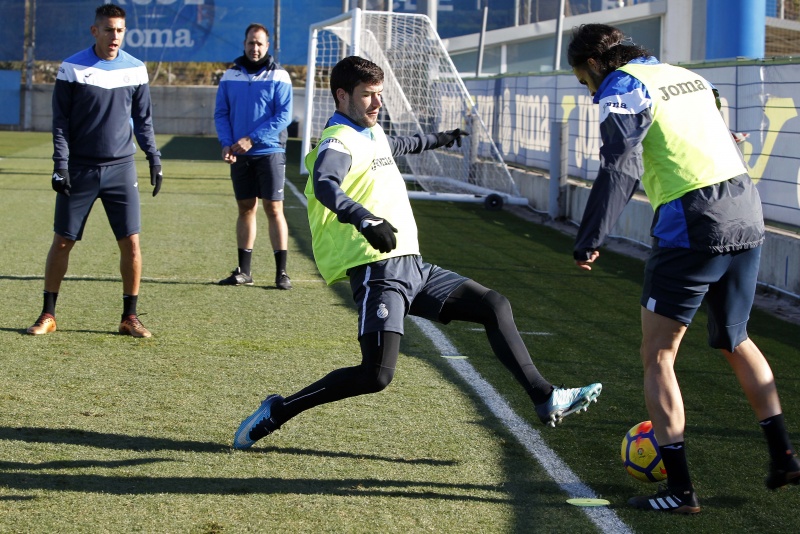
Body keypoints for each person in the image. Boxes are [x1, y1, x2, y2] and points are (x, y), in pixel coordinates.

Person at [232, 56, 602, 450]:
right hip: (377, 268)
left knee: (494, 305)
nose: (377, 104)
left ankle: (545, 396)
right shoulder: (338, 141)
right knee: (376, 375)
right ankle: (278, 411)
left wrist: (442, 138)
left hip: (414, 267)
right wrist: (364, 218)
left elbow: (404, 143)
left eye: (380, 95)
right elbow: (325, 182)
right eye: (368, 96)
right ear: (342, 96)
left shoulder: (371, 133)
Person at [567, 23, 800, 513]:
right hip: (746, 209)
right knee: (735, 339)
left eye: (582, 78)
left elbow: (619, 166)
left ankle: (680, 491)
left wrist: (590, 238)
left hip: (694, 222)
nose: (586, 88)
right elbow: (725, 134)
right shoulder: (685, 76)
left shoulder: (622, 86)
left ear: (592, 65)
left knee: (658, 355)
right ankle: (784, 458)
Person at [26, 3, 162, 338]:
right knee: (62, 242)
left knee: (131, 242)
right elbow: (60, 123)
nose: (114, 36)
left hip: (120, 169)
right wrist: (60, 165)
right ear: (94, 31)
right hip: (81, 169)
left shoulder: (137, 70)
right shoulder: (71, 68)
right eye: (108, 29)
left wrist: (153, 157)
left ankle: (129, 317)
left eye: (119, 30)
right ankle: (48, 314)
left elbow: (143, 122)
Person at [214, 23, 293, 290]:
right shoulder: (229, 76)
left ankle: (282, 273)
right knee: (246, 208)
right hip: (239, 154)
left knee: (274, 209)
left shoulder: (280, 76)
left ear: (267, 46)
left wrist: (252, 139)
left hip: (270, 151)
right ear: (244, 44)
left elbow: (284, 115)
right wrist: (227, 143)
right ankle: (244, 272)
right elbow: (221, 113)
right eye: (251, 43)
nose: (255, 48)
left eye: (260, 43)